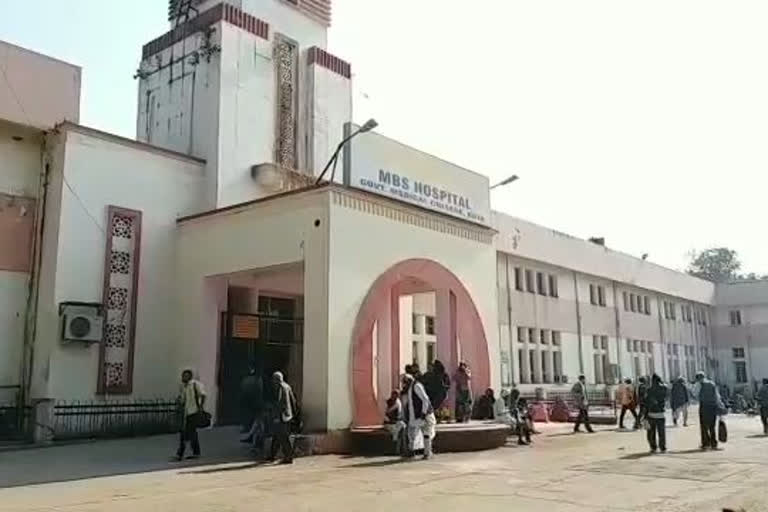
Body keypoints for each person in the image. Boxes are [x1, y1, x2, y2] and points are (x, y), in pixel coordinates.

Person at [401, 373, 437, 459]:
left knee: (427, 433)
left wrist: (423, 413)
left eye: (405, 382)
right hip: (415, 416)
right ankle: (411, 451)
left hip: (424, 415)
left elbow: (425, 399)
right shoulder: (410, 388)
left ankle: (427, 453)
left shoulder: (416, 386)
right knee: (411, 432)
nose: (404, 384)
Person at [173, 369, 206, 461]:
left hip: (194, 412)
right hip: (187, 413)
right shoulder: (183, 387)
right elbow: (183, 400)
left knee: (185, 434)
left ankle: (180, 454)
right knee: (192, 434)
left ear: (189, 376)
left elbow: (203, 395)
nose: (183, 378)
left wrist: (200, 406)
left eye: (185, 376)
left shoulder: (195, 385)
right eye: (183, 376)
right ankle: (196, 452)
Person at [268, 371, 298, 464]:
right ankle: (272, 455)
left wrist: (276, 417)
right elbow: (293, 400)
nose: (272, 381)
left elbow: (280, 403)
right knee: (277, 436)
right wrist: (294, 413)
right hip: (288, 415)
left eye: (273, 379)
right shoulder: (287, 386)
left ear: (276, 380)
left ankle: (289, 457)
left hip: (282, 416)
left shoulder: (280, 388)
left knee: (283, 438)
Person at [694, 371, 722, 450]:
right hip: (713, 406)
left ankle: (706, 442)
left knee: (704, 426)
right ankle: (714, 442)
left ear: (698, 378)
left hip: (704, 406)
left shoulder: (699, 385)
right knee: (712, 426)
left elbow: (695, 395)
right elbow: (717, 396)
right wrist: (720, 405)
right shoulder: (712, 384)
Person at [646, 374, 668, 453]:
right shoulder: (664, 388)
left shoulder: (649, 390)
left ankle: (653, 447)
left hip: (651, 413)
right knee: (661, 432)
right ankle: (662, 447)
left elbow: (647, 402)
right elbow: (666, 396)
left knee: (651, 433)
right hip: (661, 413)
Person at [384, 390, 406, 455]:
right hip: (389, 423)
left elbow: (398, 414)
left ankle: (400, 450)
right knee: (396, 430)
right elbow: (386, 413)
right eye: (393, 395)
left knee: (402, 428)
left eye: (396, 395)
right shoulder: (388, 402)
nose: (394, 396)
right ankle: (396, 450)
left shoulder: (398, 402)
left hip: (396, 422)